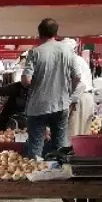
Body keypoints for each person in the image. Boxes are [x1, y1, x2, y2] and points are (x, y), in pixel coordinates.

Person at [21, 18, 82, 159]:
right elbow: (77, 77)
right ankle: (57, 175)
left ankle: (36, 175)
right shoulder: (68, 51)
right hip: (61, 104)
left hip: (38, 106)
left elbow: (26, 81)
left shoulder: (35, 53)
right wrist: (69, 93)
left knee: (36, 147)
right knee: (59, 148)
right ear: (56, 32)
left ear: (39, 33)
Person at [64, 38, 95, 142]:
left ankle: (73, 157)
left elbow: (80, 85)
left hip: (80, 98)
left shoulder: (72, 61)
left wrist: (70, 103)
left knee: (73, 136)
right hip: (86, 98)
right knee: (83, 136)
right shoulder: (78, 59)